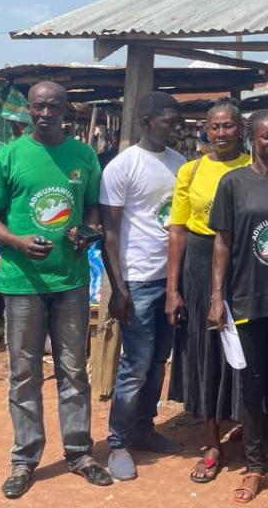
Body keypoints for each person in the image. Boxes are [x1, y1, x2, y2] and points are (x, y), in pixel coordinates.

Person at [0, 81, 113, 499]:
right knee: (24, 373)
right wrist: (18, 242)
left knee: (74, 370)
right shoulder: (8, 156)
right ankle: (24, 459)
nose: (45, 114)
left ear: (65, 110)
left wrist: (87, 230)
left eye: (53, 107)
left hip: (70, 281)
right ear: (29, 110)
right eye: (38, 107)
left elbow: (92, 207)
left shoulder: (84, 155)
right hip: (23, 283)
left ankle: (79, 453)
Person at [208, 110, 268, 505]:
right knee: (250, 387)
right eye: (266, 136)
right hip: (246, 298)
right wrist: (217, 296)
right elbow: (223, 242)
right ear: (251, 139)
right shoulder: (233, 183)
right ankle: (254, 465)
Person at [99, 91, 187, 481]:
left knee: (157, 361)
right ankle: (118, 442)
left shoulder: (179, 163)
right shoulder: (123, 166)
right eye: (169, 121)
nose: (176, 128)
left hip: (170, 279)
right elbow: (110, 232)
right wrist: (118, 289)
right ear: (148, 122)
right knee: (135, 364)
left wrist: (177, 283)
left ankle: (144, 427)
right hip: (136, 279)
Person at [166, 100, 251, 484]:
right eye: (214, 127)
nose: (221, 133)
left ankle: (249, 423)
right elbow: (178, 230)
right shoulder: (192, 170)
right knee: (206, 351)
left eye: (228, 126)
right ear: (206, 129)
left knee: (247, 348)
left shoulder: (255, 167)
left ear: (241, 129)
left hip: (245, 265)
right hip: (200, 265)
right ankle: (213, 441)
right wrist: (173, 288)